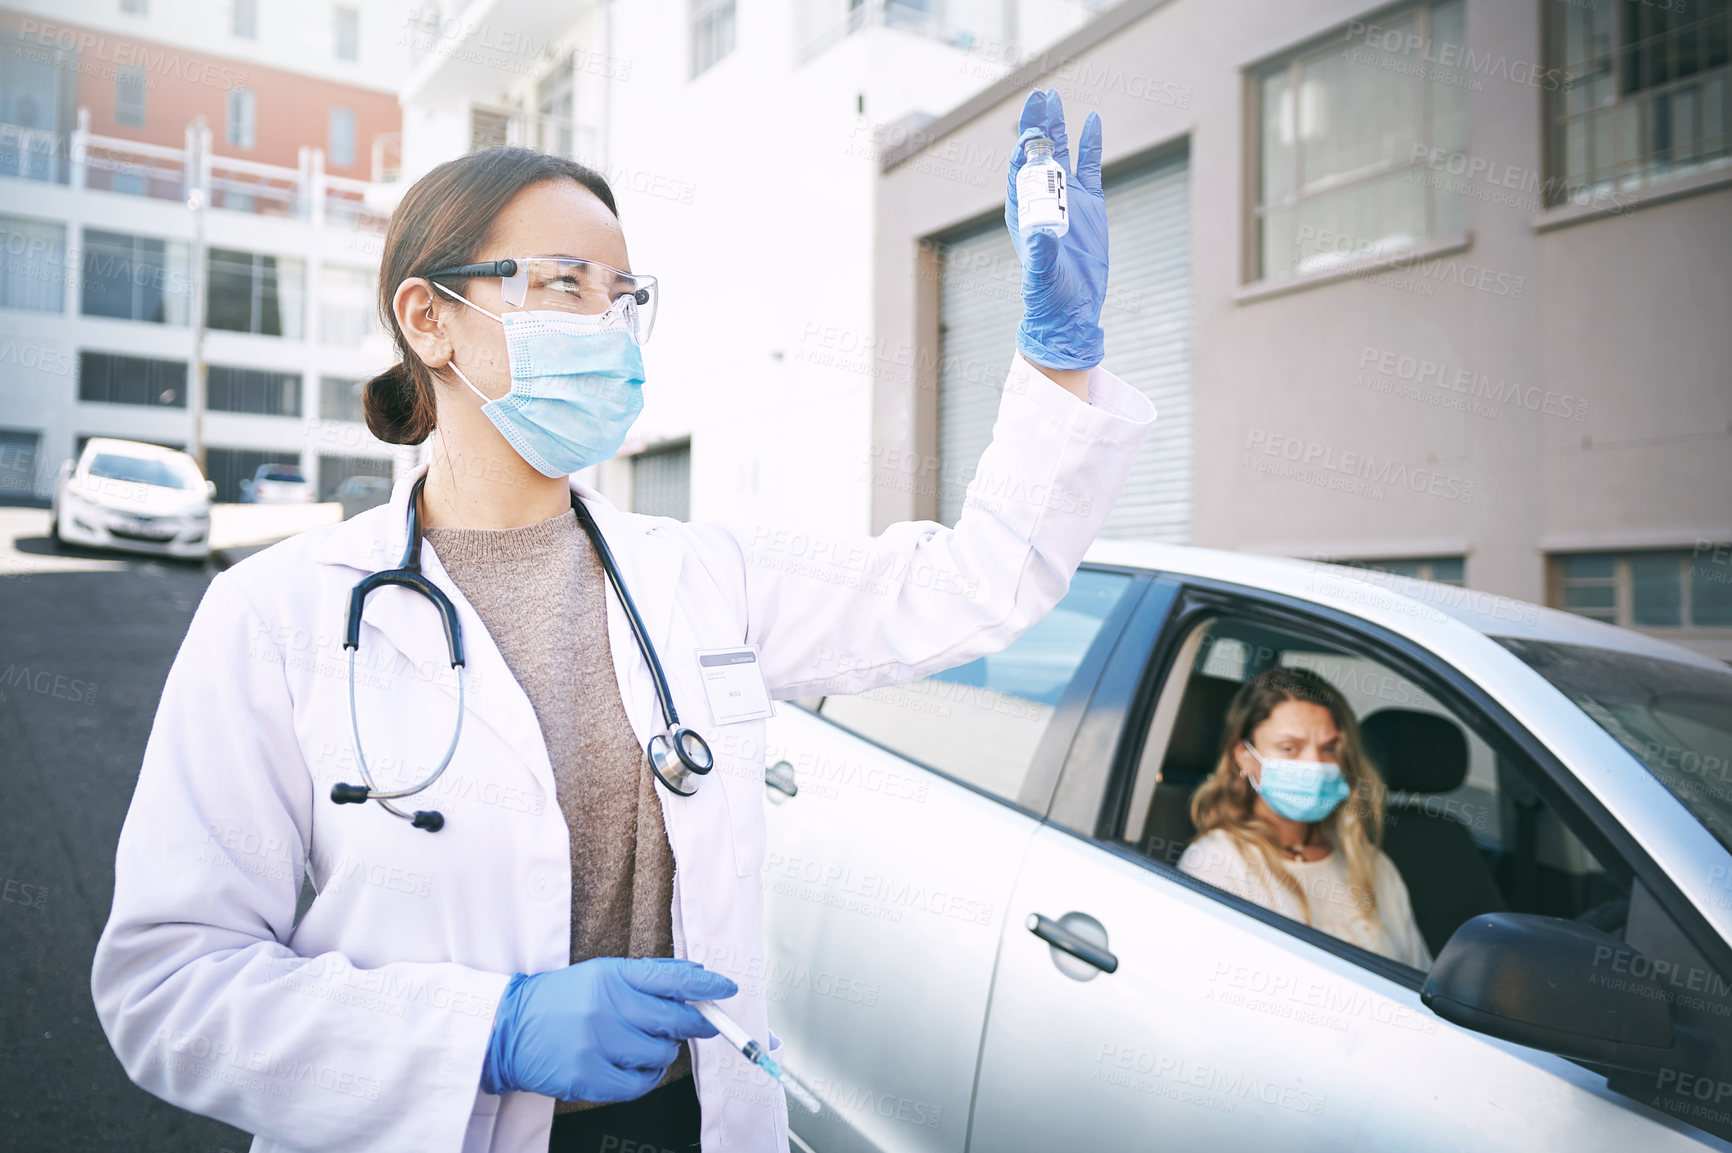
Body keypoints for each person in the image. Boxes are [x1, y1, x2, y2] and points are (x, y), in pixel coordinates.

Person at [89, 88, 1155, 1153]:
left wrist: (1060, 357)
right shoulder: (276, 614)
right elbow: (171, 986)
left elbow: (973, 584)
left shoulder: (698, 576)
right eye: (562, 285)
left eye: (624, 294)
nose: (606, 323)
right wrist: (486, 1033)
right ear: (428, 318)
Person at [1177, 666, 1432, 969]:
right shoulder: (1217, 863)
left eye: (1328, 749)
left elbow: (1418, 978)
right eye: (1289, 748)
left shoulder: (1373, 866)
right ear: (1244, 756)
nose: (1314, 764)